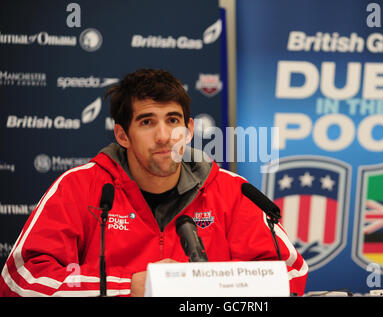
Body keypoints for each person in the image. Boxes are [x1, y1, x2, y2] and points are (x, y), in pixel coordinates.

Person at [0, 69, 308, 297]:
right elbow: (21, 280)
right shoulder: (81, 187)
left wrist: (210, 291)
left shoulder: (231, 191)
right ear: (122, 135)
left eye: (173, 120)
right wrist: (130, 287)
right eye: (147, 122)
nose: (163, 136)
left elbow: (290, 272)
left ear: (188, 130)